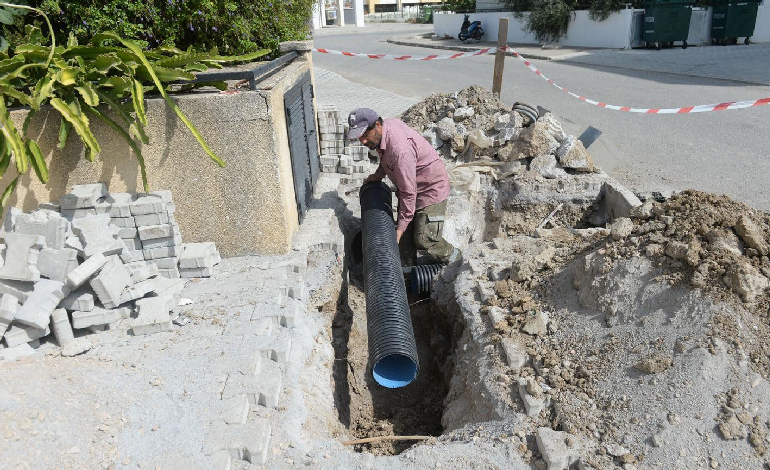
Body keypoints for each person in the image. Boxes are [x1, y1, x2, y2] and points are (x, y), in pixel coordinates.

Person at [347, 108, 461, 265]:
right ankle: (406, 282)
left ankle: (457, 261)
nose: (363, 141)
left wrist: (399, 231)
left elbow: (408, 192)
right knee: (404, 245)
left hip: (430, 189)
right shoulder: (385, 132)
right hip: (411, 185)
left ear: (378, 125)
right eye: (360, 137)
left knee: (425, 241)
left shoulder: (400, 151)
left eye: (365, 135)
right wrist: (378, 175)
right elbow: (387, 159)